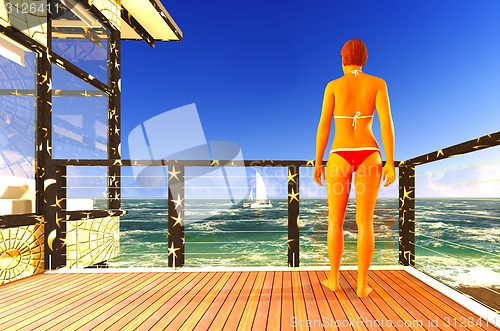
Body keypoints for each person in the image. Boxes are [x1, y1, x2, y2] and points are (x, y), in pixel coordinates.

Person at [314, 38, 396, 298]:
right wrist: (390, 162)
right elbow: (386, 125)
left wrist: (318, 161)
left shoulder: (334, 86)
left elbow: (324, 126)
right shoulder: (377, 84)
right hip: (369, 155)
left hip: (339, 155)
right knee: (365, 222)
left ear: (342, 58)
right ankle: (362, 285)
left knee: (334, 222)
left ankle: (334, 279)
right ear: (365, 58)